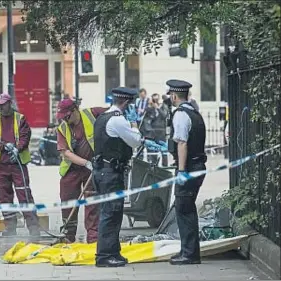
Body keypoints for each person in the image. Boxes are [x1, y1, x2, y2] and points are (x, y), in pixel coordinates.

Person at [92, 87, 166, 267]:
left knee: (113, 213)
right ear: (125, 103)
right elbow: (134, 140)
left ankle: (113, 252)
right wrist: (133, 124)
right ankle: (104, 256)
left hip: (103, 171)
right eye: (130, 105)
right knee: (111, 214)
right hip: (111, 173)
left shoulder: (102, 117)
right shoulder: (118, 120)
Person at [0, 93, 40, 236]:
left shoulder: (20, 119)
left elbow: (25, 136)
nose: (2, 108)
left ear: (10, 104)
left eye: (4, 105)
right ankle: (10, 229)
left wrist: (17, 148)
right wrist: (4, 147)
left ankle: (34, 229)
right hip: (1, 165)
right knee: (5, 198)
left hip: (18, 165)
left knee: (24, 196)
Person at [56, 98, 108, 243]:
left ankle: (93, 238)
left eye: (67, 116)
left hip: (92, 170)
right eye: (62, 118)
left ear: (75, 111)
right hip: (72, 170)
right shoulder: (63, 128)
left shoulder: (93, 113)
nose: (65, 120)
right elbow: (65, 152)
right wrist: (86, 163)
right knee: (68, 203)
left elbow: (113, 112)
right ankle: (67, 236)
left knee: (92, 204)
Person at [167, 79, 207, 265]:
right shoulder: (195, 114)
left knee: (184, 209)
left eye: (170, 96)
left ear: (174, 96)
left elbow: (182, 143)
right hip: (198, 165)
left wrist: (181, 171)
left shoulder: (181, 115)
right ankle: (188, 250)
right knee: (187, 207)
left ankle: (189, 254)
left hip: (189, 167)